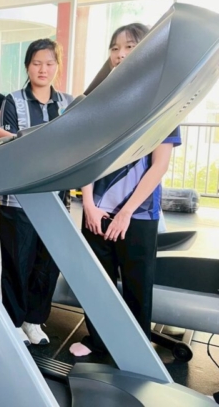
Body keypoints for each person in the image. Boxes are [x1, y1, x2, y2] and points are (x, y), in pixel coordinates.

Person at [70, 23, 181, 357]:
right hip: (98, 209)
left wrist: (127, 212)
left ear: (147, 50)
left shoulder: (163, 102)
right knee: (96, 282)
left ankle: (136, 349)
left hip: (138, 213)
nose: (120, 54)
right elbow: (87, 156)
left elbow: (159, 165)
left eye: (130, 47)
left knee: (137, 286)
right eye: (115, 48)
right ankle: (98, 340)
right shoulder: (101, 100)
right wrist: (88, 204)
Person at [0, 38, 73, 346]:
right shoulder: (13, 101)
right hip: (19, 201)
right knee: (17, 263)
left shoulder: (67, 104)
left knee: (46, 265)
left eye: (49, 63)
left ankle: (34, 320)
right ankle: (13, 322)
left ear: (57, 66)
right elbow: (9, 146)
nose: (43, 69)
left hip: (56, 200)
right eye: (37, 63)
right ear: (27, 66)